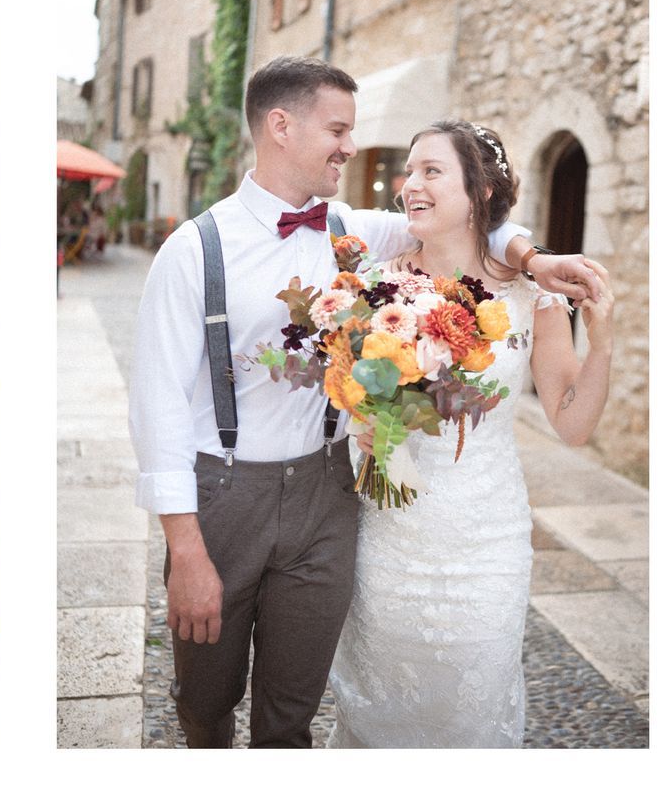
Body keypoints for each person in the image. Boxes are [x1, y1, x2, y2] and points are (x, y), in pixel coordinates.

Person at [129, 55, 601, 748]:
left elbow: (471, 222)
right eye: (339, 129)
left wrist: (533, 262)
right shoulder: (192, 251)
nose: (352, 148)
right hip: (226, 494)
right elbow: (157, 408)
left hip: (329, 495)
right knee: (205, 697)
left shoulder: (350, 229)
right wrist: (187, 549)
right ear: (282, 127)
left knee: (292, 711)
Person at [325, 120, 613, 747]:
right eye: (410, 170)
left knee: (471, 712)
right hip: (388, 541)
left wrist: (604, 338)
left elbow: (571, 424)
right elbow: (348, 384)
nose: (411, 185)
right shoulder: (375, 284)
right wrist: (363, 421)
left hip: (486, 541)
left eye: (432, 171)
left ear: (480, 190)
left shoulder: (532, 295)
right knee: (378, 710)